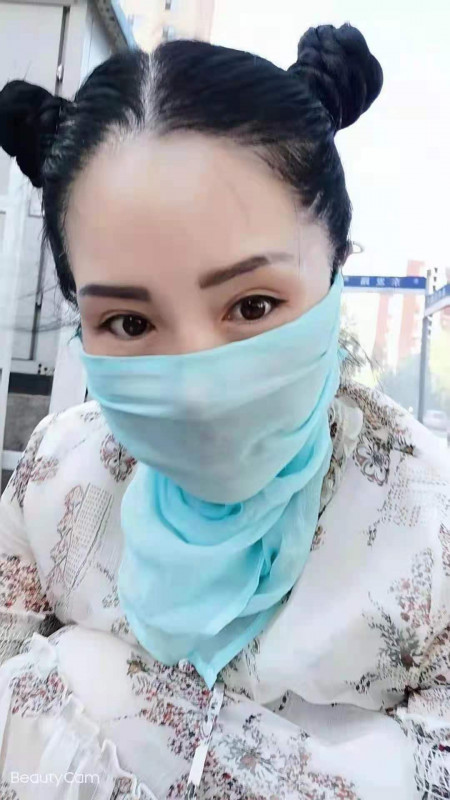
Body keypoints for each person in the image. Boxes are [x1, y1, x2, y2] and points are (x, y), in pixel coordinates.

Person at [0, 22, 448, 800]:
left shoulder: (430, 524)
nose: (197, 388)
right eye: (129, 322)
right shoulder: (56, 477)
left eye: (253, 305)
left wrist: (84, 693)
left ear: (337, 265)